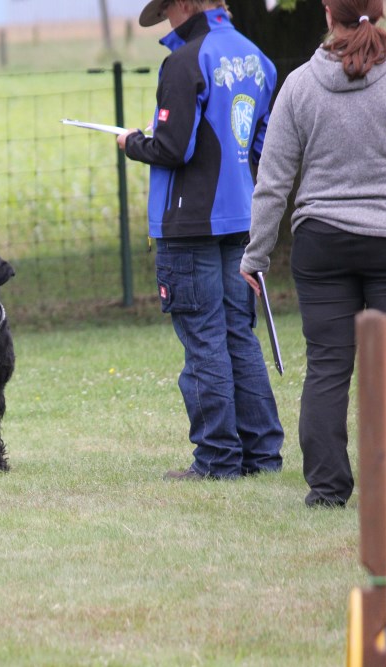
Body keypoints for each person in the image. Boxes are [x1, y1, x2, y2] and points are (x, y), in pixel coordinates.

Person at [240, 0, 386, 508]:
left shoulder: (298, 85)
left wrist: (255, 255)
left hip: (322, 242)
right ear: (377, 13)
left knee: (327, 366)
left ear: (327, 13)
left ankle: (327, 488)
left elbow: (273, 183)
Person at [116, 0, 285, 480]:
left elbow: (172, 148)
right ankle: (261, 454)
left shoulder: (185, 61)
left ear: (185, 4)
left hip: (189, 226)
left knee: (204, 341)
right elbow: (262, 145)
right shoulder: (257, 57)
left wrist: (131, 143)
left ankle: (217, 459)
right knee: (238, 335)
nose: (167, 19)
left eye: (167, 9)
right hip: (241, 218)